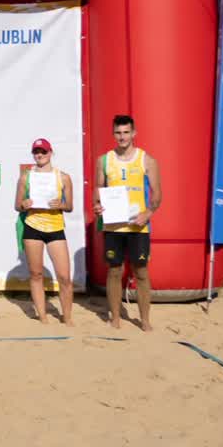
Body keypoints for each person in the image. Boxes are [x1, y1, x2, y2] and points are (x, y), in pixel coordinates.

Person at [93, 114, 162, 331]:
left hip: (138, 226)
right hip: (113, 225)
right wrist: (97, 205)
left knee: (141, 271)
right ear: (113, 134)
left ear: (134, 133)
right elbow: (99, 189)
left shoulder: (147, 160)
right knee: (114, 270)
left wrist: (149, 212)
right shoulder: (103, 160)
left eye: (126, 132)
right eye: (118, 133)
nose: (122, 137)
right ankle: (115, 317)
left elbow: (157, 193)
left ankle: (145, 320)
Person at [15, 138, 75, 325]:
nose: (39, 155)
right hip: (33, 226)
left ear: (51, 153)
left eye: (43, 151)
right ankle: (42, 316)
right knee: (36, 274)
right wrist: (24, 205)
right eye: (36, 152)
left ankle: (67, 317)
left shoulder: (63, 177)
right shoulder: (26, 176)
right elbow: (17, 205)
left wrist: (61, 204)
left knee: (64, 277)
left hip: (55, 227)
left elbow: (70, 206)